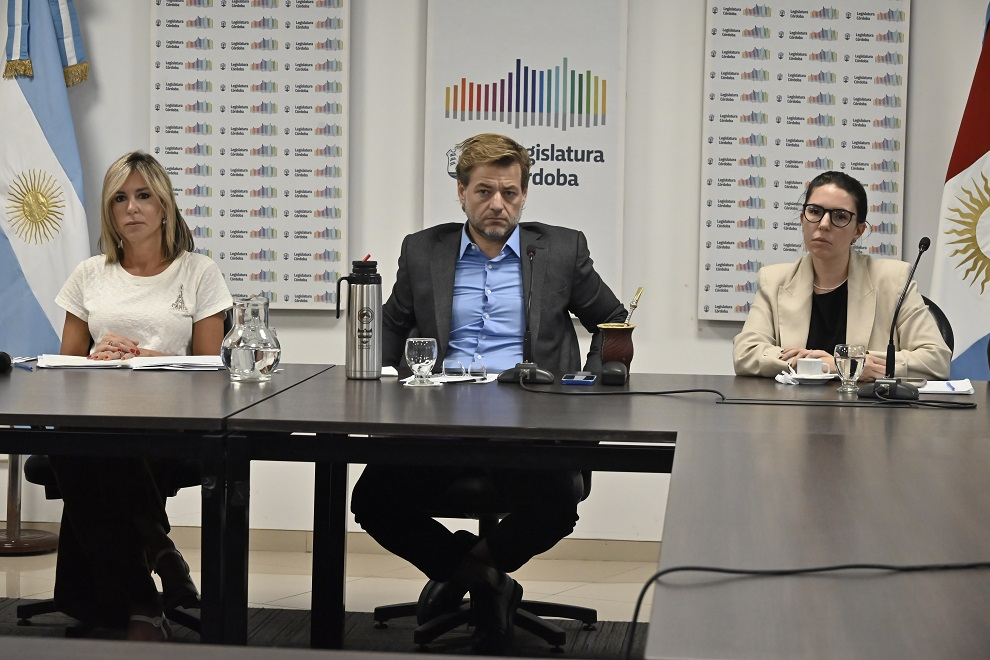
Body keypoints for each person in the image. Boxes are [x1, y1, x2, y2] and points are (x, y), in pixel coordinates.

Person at [350, 133, 626, 653]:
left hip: (529, 420)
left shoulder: (562, 249)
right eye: (483, 191)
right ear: (461, 192)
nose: (498, 204)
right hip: (436, 418)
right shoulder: (423, 250)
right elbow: (390, 325)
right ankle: (488, 581)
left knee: (555, 503)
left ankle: (466, 572)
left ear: (524, 194)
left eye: (510, 192)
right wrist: (381, 382)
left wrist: (587, 384)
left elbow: (613, 321)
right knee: (374, 501)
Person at [50, 151, 232, 641]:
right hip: (100, 416)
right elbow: (64, 366)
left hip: (174, 423)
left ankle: (151, 565)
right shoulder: (89, 274)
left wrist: (152, 356)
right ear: (109, 212)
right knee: (79, 445)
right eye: (119, 199)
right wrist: (96, 357)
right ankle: (148, 588)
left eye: (143, 196)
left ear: (164, 207)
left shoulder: (199, 272)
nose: (131, 208)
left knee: (91, 455)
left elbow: (212, 368)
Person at [732, 170, 950, 381]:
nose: (824, 224)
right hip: (793, 404)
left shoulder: (893, 280)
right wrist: (826, 365)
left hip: (867, 405)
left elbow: (936, 360)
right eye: (815, 212)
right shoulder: (774, 280)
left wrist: (846, 363)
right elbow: (745, 354)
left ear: (858, 230)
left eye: (840, 216)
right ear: (802, 219)